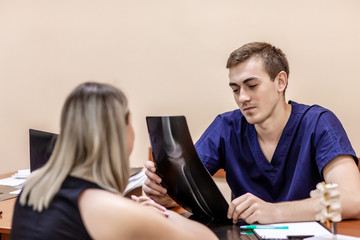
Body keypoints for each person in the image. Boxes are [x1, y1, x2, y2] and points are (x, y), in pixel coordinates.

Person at [143, 42, 360, 224]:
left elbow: (354, 199)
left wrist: (274, 212)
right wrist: (164, 194)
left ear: (280, 82)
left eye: (252, 85)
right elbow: (187, 191)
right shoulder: (226, 127)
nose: (242, 98)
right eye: (235, 90)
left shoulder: (318, 123)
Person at [11, 82, 217, 240]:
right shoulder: (111, 210)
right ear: (121, 132)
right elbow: (208, 238)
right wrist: (160, 214)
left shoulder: (33, 184)